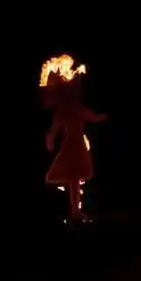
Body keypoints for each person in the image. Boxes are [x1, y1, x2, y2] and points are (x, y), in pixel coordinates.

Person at [42, 68, 106, 222]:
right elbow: (93, 117)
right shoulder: (69, 109)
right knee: (70, 178)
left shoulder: (70, 109)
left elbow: (53, 133)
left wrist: (50, 142)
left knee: (74, 178)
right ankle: (74, 209)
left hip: (74, 145)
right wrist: (49, 141)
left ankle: (75, 211)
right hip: (72, 146)